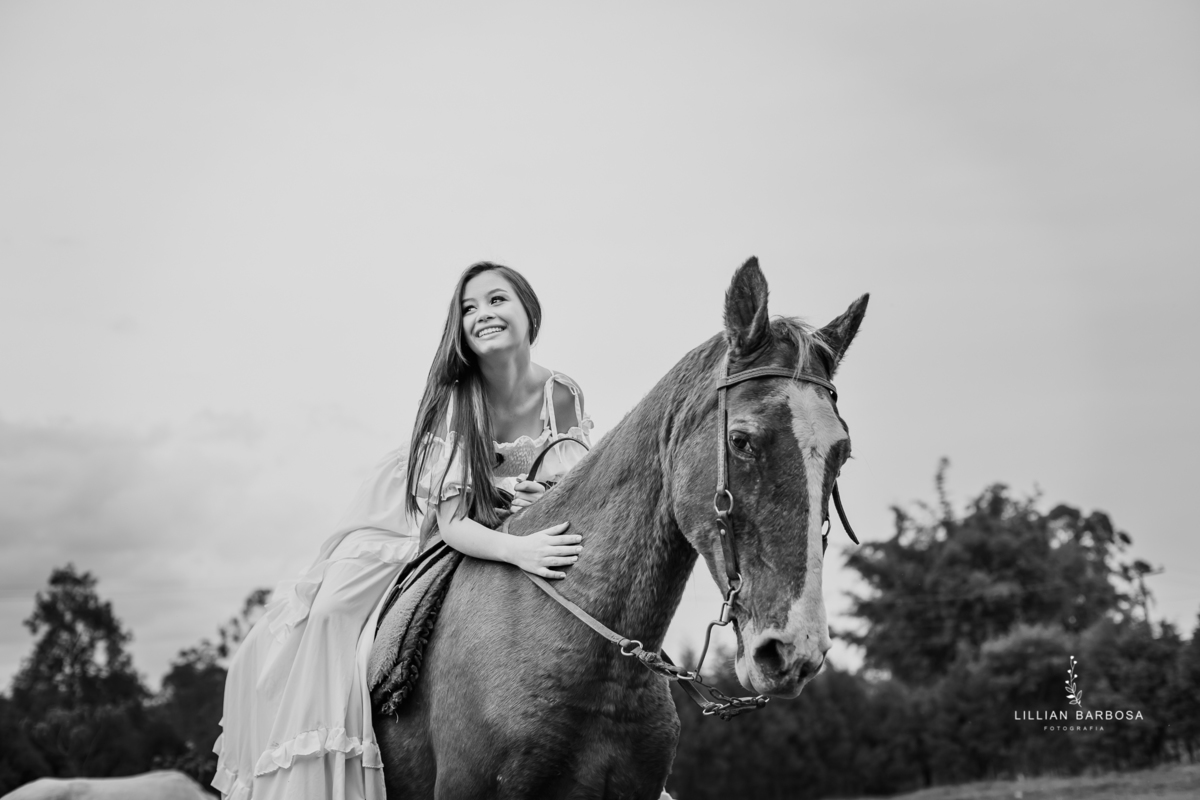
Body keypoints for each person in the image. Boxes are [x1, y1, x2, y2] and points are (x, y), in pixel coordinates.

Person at [212, 262, 592, 800]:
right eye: (468, 308)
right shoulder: (457, 400)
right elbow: (452, 525)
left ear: (529, 311)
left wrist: (540, 497)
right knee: (330, 613)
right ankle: (320, 764)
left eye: (496, 299)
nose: (482, 314)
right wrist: (520, 550)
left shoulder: (562, 392)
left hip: (504, 513)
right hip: (413, 517)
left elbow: (569, 481)